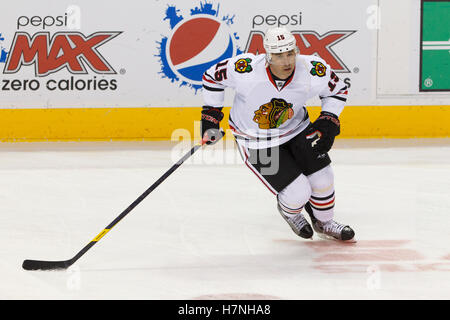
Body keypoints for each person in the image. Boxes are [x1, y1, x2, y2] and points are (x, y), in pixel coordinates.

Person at [200, 27, 355, 241]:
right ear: (267, 56)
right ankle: (290, 213)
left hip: (297, 130)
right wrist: (211, 114)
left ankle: (324, 222)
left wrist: (328, 118)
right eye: (279, 55)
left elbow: (337, 90)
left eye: (290, 53)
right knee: (298, 193)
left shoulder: (312, 70)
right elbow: (212, 77)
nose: (286, 61)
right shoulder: (245, 70)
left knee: (323, 179)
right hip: (256, 141)